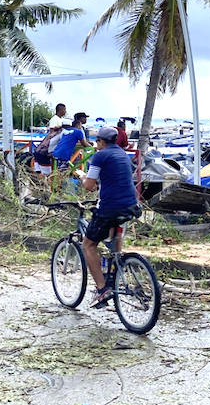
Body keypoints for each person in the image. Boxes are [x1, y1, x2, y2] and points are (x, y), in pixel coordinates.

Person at [78, 125, 140, 308]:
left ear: (101, 142)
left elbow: (89, 186)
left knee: (88, 245)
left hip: (110, 206)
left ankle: (102, 288)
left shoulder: (99, 156)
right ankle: (116, 262)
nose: (96, 145)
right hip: (130, 205)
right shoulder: (122, 154)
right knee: (114, 232)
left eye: (97, 141)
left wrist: (82, 177)